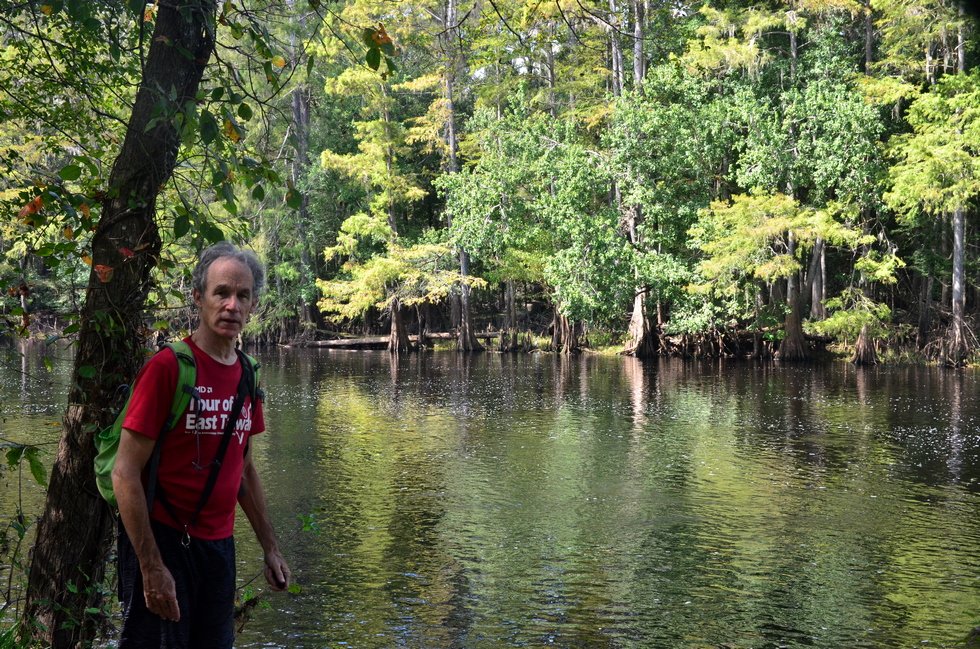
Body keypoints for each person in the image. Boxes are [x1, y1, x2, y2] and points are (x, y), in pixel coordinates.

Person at [112, 241, 290, 649]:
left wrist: (270, 548)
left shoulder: (249, 374)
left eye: (242, 295)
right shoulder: (167, 369)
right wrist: (151, 566)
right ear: (198, 298)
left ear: (253, 305)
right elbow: (124, 473)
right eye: (221, 293)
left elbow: (243, 470)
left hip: (219, 548)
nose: (232, 305)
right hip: (164, 541)